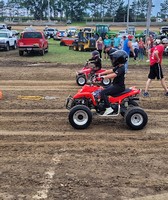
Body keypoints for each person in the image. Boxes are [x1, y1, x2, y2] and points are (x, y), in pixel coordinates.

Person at [98, 50, 128, 116]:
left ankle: (108, 108)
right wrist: (101, 73)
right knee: (101, 89)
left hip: (118, 87)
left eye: (115, 59)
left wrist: (104, 77)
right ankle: (102, 104)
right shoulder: (119, 66)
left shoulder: (122, 68)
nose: (113, 60)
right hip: (116, 85)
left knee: (103, 92)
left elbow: (114, 74)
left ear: (119, 59)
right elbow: (111, 70)